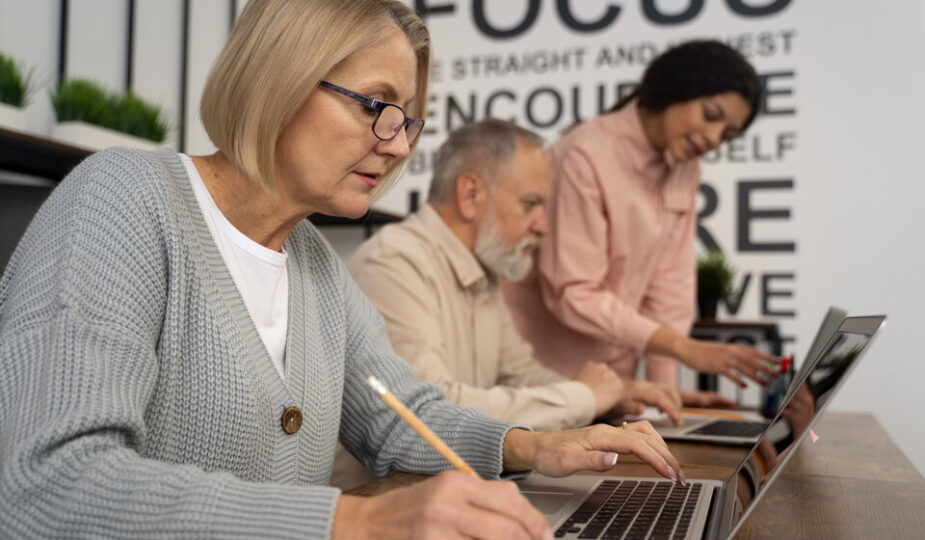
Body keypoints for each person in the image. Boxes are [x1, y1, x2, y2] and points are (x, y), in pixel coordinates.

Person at [0, 1, 683, 538]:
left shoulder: (314, 263)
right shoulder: (122, 198)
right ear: (279, 76)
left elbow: (400, 417)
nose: (394, 143)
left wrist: (536, 448)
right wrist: (353, 522)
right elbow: (49, 486)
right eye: (374, 105)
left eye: (408, 119)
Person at [334, 120, 684, 488]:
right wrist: (581, 397)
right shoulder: (392, 263)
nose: (543, 227)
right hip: (380, 502)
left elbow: (520, 373)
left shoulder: (485, 267)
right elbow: (429, 411)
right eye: (530, 204)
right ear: (470, 195)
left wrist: (609, 396)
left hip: (450, 492)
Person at [502, 40, 777, 406]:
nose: (714, 139)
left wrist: (668, 404)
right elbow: (571, 292)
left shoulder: (686, 169)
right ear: (677, 87)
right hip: (545, 381)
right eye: (711, 115)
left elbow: (669, 297)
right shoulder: (584, 154)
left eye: (727, 135)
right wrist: (682, 348)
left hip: (617, 384)